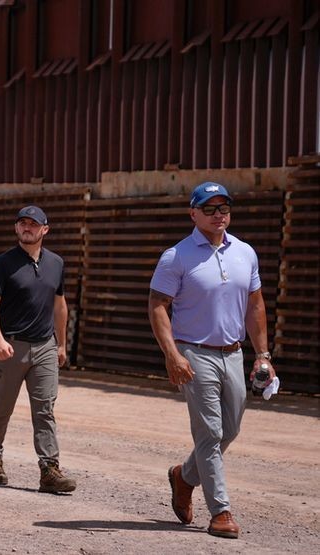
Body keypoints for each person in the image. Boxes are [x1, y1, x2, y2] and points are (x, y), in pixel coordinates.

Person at [148, 182, 275, 539]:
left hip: (233, 353)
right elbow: (158, 305)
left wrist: (262, 355)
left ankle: (184, 477)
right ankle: (220, 511)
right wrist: (172, 354)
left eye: (224, 208)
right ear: (193, 213)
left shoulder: (245, 253)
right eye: (209, 208)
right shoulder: (177, 256)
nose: (219, 214)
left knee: (230, 430)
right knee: (210, 433)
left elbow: (255, 305)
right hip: (193, 352)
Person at [0, 206, 76, 494]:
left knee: (45, 409)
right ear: (16, 228)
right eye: (22, 223)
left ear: (45, 230)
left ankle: (49, 470)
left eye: (33, 224)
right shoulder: (2, 264)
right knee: (3, 407)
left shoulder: (56, 263)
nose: (27, 228)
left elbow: (60, 305)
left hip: (45, 346)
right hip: (11, 346)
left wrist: (61, 343)